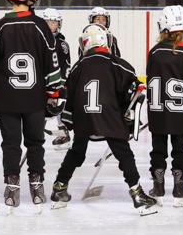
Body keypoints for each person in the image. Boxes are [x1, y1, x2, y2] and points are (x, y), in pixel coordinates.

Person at [50, 24, 158, 215]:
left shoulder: (78, 67)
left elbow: (69, 97)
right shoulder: (116, 63)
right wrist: (129, 111)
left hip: (84, 116)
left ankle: (59, 187)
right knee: (123, 153)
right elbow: (135, 88)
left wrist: (68, 122)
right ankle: (137, 194)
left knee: (77, 152)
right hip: (108, 115)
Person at [0, 0, 62, 211]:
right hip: (34, 99)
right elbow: (52, 62)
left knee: (11, 143)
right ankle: (37, 187)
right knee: (35, 142)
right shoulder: (40, 26)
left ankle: (11, 188)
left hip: (7, 99)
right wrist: (54, 92)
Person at [146, 5, 183, 206]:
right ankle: (179, 187)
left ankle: (158, 185)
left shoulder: (154, 52)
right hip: (179, 111)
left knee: (158, 148)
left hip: (157, 110)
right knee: (180, 148)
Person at [38, 8, 72, 150]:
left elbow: (65, 66)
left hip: (56, 84)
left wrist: (61, 86)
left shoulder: (62, 44)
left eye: (54, 22)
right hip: (40, 84)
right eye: (48, 22)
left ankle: (63, 133)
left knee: (59, 107)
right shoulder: (36, 41)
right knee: (40, 110)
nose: (52, 25)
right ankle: (36, 133)